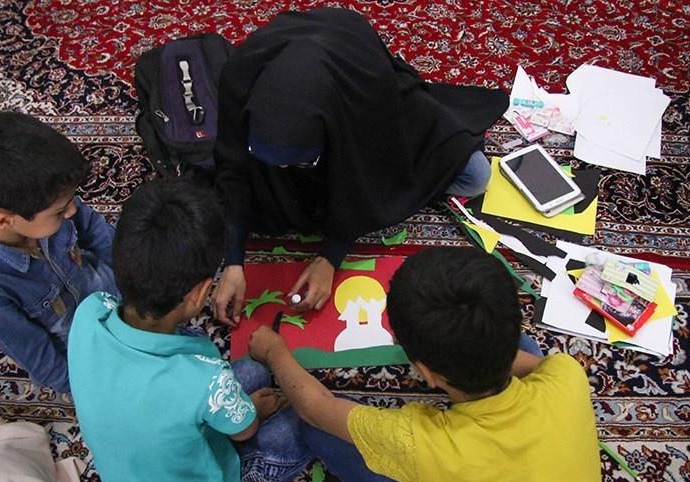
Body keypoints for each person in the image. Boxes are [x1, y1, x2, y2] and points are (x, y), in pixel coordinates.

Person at [248, 246, 615, 482]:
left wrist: (274, 351)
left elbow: (315, 407)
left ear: (425, 372)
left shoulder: (418, 442)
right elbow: (513, 356)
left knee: (316, 427)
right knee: (531, 353)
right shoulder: (568, 374)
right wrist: (473, 352)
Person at [211, 7, 508, 326]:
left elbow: (366, 171)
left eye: (295, 161)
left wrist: (331, 257)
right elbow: (234, 167)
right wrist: (233, 262)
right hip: (315, 117)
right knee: (254, 201)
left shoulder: (364, 95)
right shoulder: (237, 80)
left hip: (366, 100)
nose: (284, 170)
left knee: (476, 176)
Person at [66, 176, 313, 482]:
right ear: (199, 294)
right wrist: (253, 409)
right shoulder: (204, 377)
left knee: (248, 375)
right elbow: (244, 430)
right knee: (305, 420)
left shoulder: (91, 312)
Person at [0, 111, 118, 393]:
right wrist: (97, 392)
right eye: (59, 211)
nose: (72, 210)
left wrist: (141, 277)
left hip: (115, 298)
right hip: (88, 353)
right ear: (4, 220)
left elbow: (98, 234)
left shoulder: (47, 200)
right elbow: (45, 365)